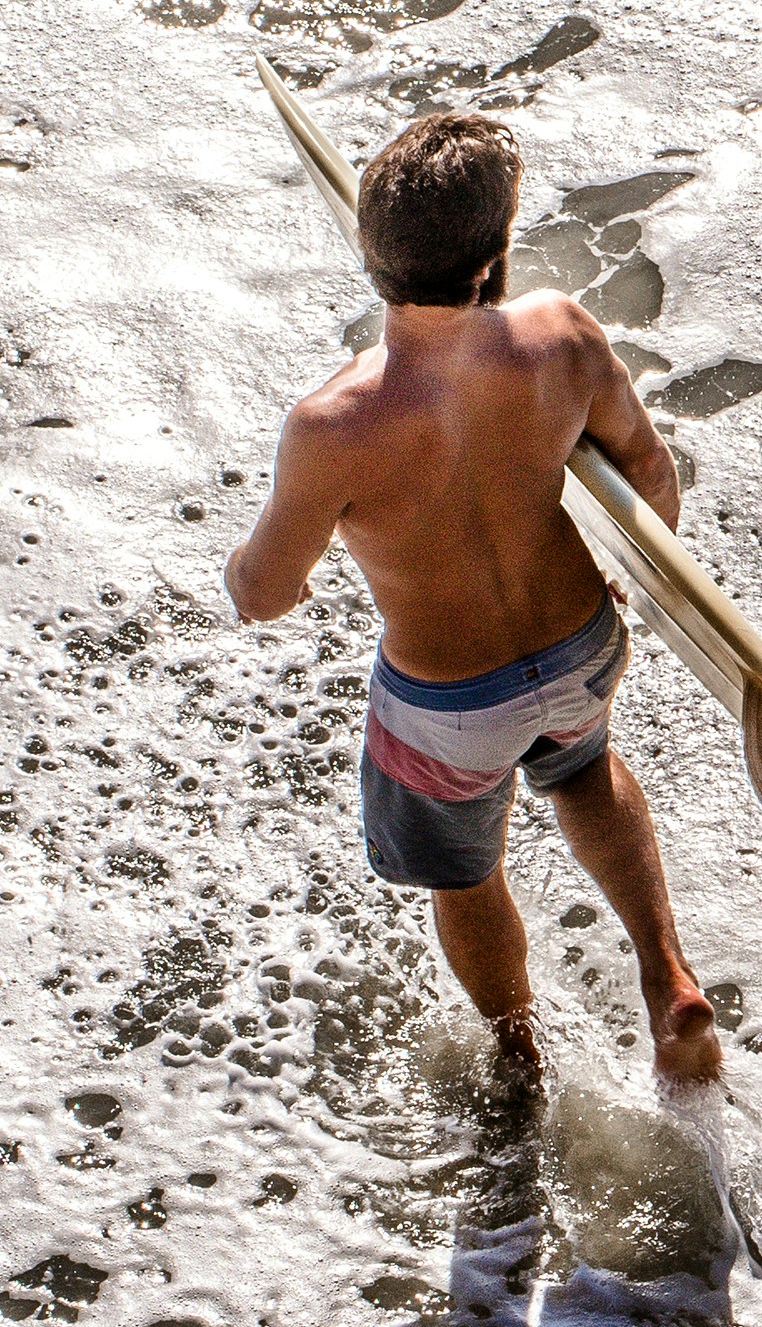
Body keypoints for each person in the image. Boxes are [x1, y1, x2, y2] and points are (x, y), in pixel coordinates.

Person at [223, 110, 724, 1089]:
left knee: (466, 872)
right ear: (494, 258)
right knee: (584, 773)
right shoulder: (561, 336)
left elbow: (266, 594)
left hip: (448, 712)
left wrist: (251, 573)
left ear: (370, 253)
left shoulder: (335, 424)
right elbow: (652, 479)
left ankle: (517, 1049)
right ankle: (666, 976)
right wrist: (628, 586)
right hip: (580, 648)